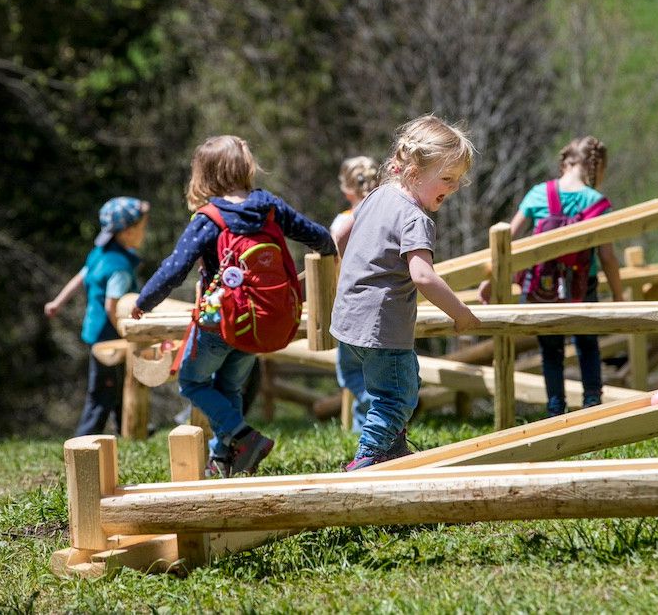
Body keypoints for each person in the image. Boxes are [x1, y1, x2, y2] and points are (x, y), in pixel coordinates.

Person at [130, 135, 335, 477]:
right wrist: (331, 252)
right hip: (258, 319)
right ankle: (224, 461)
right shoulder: (269, 207)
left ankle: (243, 437)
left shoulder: (209, 218)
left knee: (192, 383)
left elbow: (175, 267)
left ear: (205, 174)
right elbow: (317, 235)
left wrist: (144, 301)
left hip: (219, 322)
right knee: (229, 388)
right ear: (245, 168)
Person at [331, 116, 480, 471]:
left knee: (405, 379)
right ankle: (367, 459)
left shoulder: (376, 197)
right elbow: (423, 276)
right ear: (413, 170)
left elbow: (341, 235)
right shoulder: (415, 217)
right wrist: (461, 313)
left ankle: (391, 449)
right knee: (395, 398)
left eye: (458, 180)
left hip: (349, 320)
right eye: (446, 178)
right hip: (382, 326)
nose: (454, 187)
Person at [481, 135, 624, 417]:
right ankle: (592, 405)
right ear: (595, 167)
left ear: (567, 162)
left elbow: (507, 241)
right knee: (587, 345)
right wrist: (618, 295)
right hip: (583, 287)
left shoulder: (538, 194)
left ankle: (555, 409)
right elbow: (607, 256)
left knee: (551, 351)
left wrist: (492, 279)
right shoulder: (597, 202)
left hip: (542, 288)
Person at [46, 196, 150, 437]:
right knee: (103, 390)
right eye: (142, 227)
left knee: (117, 384)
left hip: (95, 331)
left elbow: (81, 276)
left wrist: (57, 303)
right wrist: (128, 333)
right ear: (127, 232)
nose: (144, 232)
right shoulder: (120, 267)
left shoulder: (99, 253)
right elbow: (111, 305)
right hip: (109, 336)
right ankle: (84, 438)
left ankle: (131, 428)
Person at [329, 155, 380, 432]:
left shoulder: (344, 221)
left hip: (350, 305)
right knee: (375, 369)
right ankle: (365, 434)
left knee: (350, 372)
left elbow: (330, 256)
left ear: (346, 189)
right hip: (383, 302)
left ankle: (379, 405)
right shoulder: (386, 215)